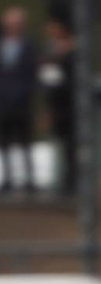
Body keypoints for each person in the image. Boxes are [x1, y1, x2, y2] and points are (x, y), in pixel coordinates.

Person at [0, 5, 39, 195]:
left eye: (17, 23)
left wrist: (27, 92)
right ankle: (8, 178)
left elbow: (32, 73)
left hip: (22, 101)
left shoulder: (29, 46)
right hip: (3, 101)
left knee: (25, 142)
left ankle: (29, 179)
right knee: (5, 141)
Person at [39, 15, 74, 196]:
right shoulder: (49, 49)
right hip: (56, 101)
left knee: (72, 143)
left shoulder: (73, 47)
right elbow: (48, 76)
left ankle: (73, 180)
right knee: (60, 141)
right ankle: (64, 180)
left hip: (70, 102)